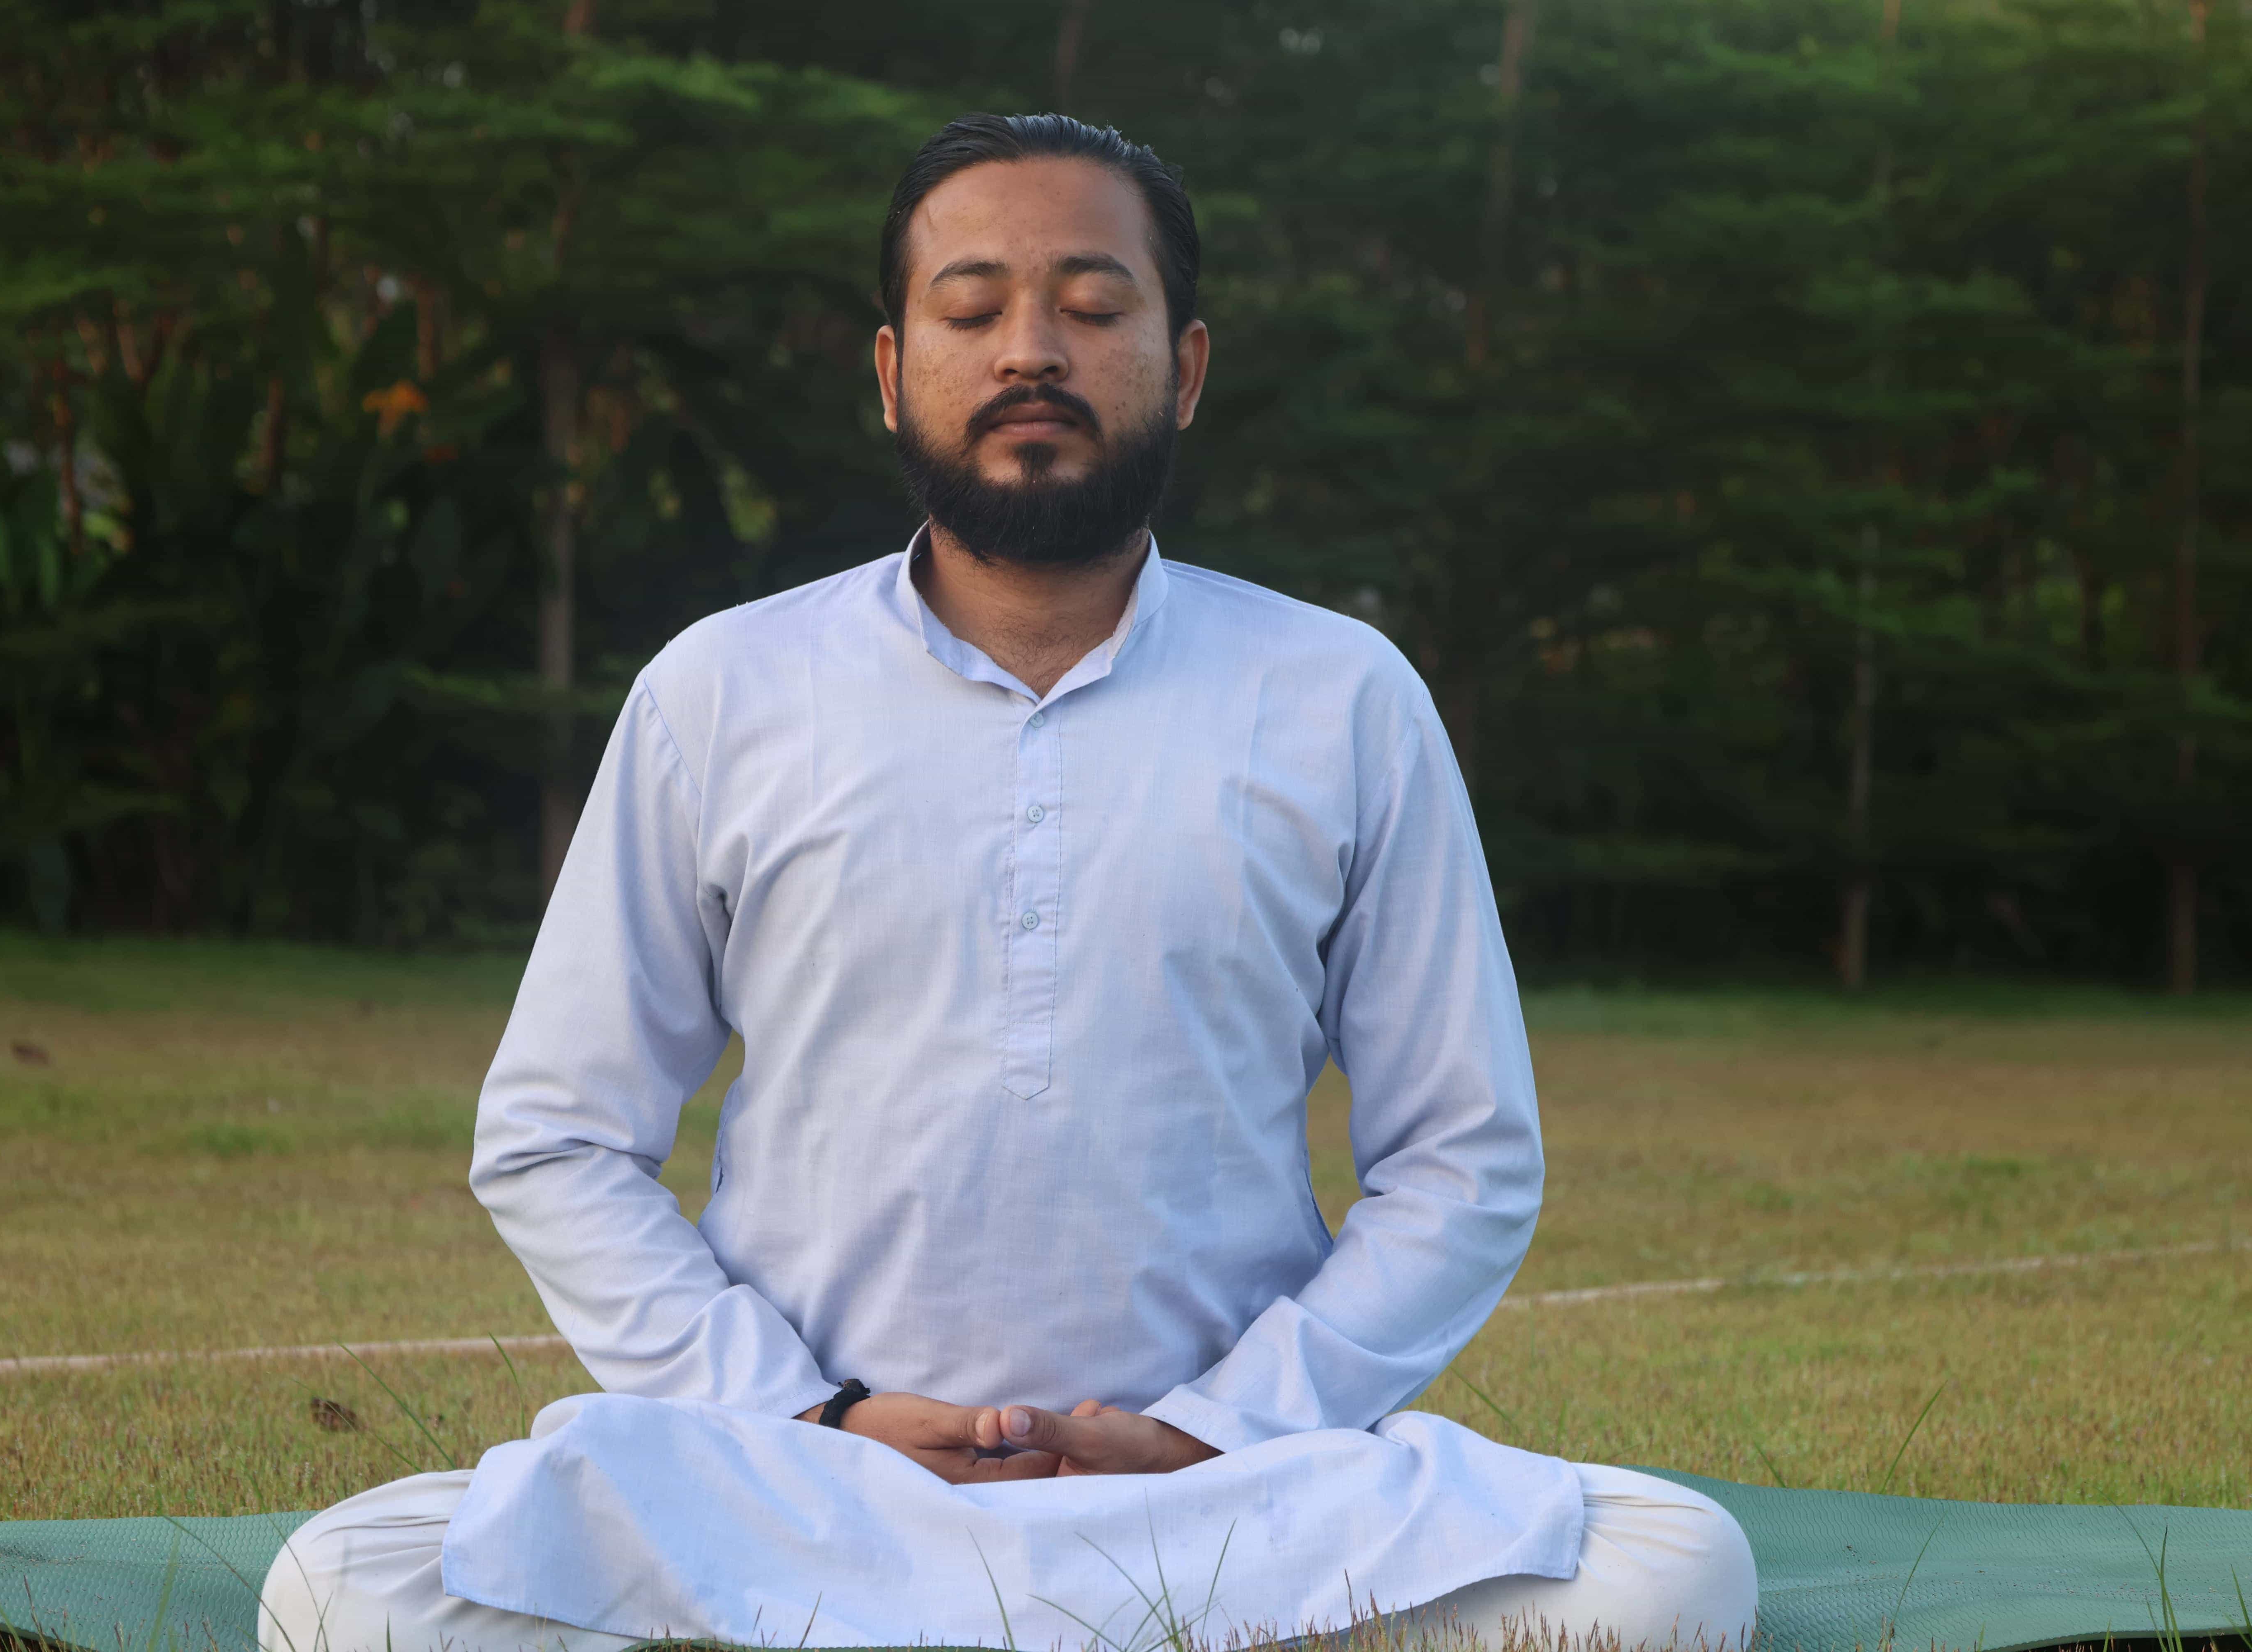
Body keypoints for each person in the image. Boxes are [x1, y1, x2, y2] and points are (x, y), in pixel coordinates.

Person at [260, 113, 1757, 1652]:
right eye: (973, 311)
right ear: (896, 370)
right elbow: (557, 1138)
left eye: (1094, 309)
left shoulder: (1338, 694)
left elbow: (1464, 1157)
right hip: (809, 1483)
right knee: (344, 1585)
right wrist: (806, 1415)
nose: (1031, 351)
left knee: (1671, 1570)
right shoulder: (726, 689)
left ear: (1182, 367)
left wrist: (1217, 1430)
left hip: (1215, 1498)